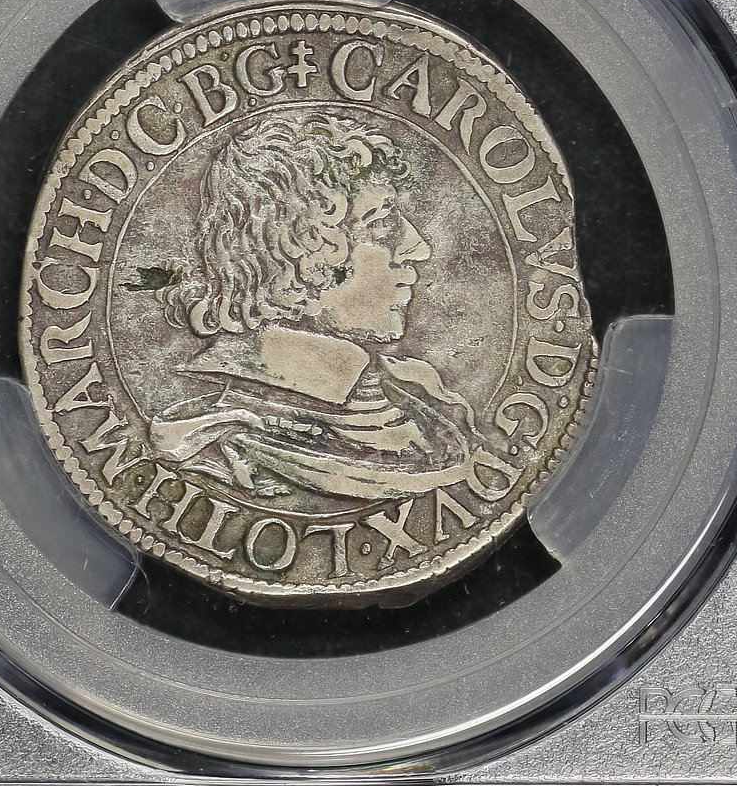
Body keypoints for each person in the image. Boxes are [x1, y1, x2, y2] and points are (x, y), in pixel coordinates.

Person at [148, 107, 487, 502]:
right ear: (293, 251)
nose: (418, 248)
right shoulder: (204, 436)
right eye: (380, 223)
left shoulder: (417, 396)